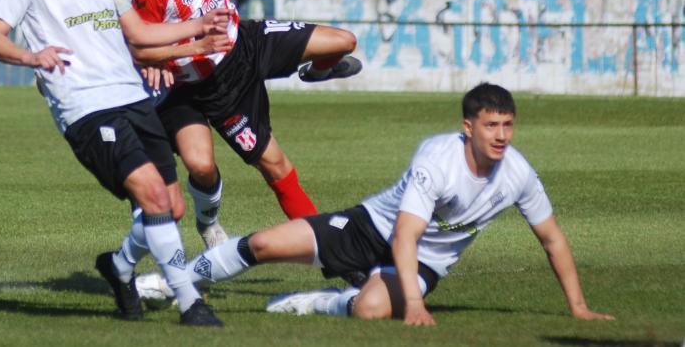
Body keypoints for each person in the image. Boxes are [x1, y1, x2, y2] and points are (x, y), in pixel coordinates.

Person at [137, 83, 616, 325]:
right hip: (370, 227)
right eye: (492, 126)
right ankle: (168, 283)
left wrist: (578, 307)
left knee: (367, 311)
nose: (502, 136)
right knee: (263, 243)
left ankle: (324, 303)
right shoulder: (437, 158)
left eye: (508, 126)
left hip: (426, 261)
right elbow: (403, 233)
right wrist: (413, 306)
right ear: (468, 126)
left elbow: (552, 240)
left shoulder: (518, 175)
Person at [0, 0, 230, 327]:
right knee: (153, 197)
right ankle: (191, 302)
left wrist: (199, 28)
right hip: (85, 107)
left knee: (171, 207)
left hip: (133, 97)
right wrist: (32, 57)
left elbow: (137, 30)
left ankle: (117, 268)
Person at [129, 0, 362, 249]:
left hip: (247, 43)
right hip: (203, 87)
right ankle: (324, 249)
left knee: (344, 41)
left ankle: (316, 72)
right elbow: (139, 47)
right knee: (228, 166)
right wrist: (193, 48)